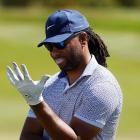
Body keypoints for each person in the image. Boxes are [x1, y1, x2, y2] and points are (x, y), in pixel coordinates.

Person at [7, 9, 123, 140]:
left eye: (60, 44)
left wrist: (36, 103)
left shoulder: (103, 87)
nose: (54, 53)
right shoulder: (49, 85)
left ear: (83, 39)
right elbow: (28, 136)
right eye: (49, 46)